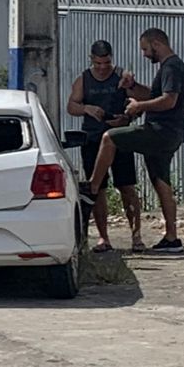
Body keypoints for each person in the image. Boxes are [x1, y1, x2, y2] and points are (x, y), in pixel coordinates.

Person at [84, 27, 184, 252]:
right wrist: (132, 87)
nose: (143, 54)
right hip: (169, 133)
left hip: (160, 131)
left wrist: (138, 106)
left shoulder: (171, 67)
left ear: (157, 44)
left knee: (109, 138)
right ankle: (172, 238)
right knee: (161, 182)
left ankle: (93, 186)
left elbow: (168, 101)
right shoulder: (169, 67)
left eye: (145, 49)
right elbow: (154, 96)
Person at [65, 40, 139, 253]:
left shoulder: (122, 77)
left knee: (127, 187)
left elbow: (137, 102)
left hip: (119, 136)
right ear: (91, 60)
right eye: (98, 63)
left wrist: (125, 117)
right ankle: (103, 237)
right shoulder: (83, 80)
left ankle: (136, 235)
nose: (102, 67)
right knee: (97, 188)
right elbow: (71, 105)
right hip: (93, 139)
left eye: (106, 62)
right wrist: (87, 108)